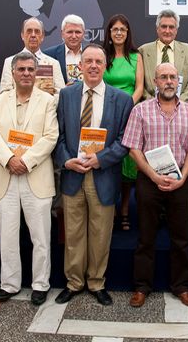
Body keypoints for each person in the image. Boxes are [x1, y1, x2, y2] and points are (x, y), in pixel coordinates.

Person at [53, 44, 133, 306]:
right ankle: (74, 283)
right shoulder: (66, 95)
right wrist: (67, 162)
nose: (94, 66)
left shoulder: (121, 99)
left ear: (105, 65)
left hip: (104, 175)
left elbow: (124, 140)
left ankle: (97, 282)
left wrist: (101, 159)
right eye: (88, 61)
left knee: (100, 234)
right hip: (73, 174)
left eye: (99, 61)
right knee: (73, 233)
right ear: (80, 66)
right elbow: (59, 136)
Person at [122, 62, 188, 308]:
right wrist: (154, 176)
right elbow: (133, 148)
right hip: (149, 181)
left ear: (178, 82)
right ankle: (141, 287)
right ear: (155, 82)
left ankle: (181, 286)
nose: (169, 81)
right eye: (163, 77)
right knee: (146, 236)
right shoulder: (140, 111)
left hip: (181, 181)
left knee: (181, 237)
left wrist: (183, 177)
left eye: (172, 77)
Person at [0, 51, 59, 306]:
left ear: (36, 72)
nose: (26, 73)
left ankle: (40, 284)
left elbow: (51, 136)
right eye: (21, 69)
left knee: (40, 236)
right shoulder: (0, 100)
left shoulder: (48, 101)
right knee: (7, 235)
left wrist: (25, 161)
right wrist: (9, 159)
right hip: (5, 176)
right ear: (13, 73)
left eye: (30, 69)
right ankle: (10, 284)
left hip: (35, 175)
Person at [102, 13, 144, 231]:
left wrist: (127, 105)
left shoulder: (136, 57)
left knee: (129, 164)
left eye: (123, 30)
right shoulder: (102, 55)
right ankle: (109, 208)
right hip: (105, 113)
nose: (119, 33)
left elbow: (139, 87)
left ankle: (125, 209)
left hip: (129, 112)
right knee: (108, 160)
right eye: (115, 29)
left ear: (128, 33)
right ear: (109, 33)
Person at [139, 9, 188, 103]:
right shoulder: (143, 51)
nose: (167, 31)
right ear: (157, 28)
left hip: (180, 107)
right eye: (163, 26)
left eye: (171, 27)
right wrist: (153, 103)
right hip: (150, 107)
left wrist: (177, 102)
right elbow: (140, 84)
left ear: (176, 30)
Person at [0, 17, 65, 96]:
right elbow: (4, 93)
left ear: (42, 36)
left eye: (37, 31)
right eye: (29, 31)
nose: (33, 35)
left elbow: (60, 94)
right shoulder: (9, 62)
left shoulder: (53, 64)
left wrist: (48, 105)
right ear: (22, 35)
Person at [43, 14, 87, 84]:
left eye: (78, 32)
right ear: (62, 33)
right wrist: (63, 90)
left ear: (84, 34)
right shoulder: (48, 55)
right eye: (70, 32)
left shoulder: (93, 53)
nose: (74, 36)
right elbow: (45, 85)